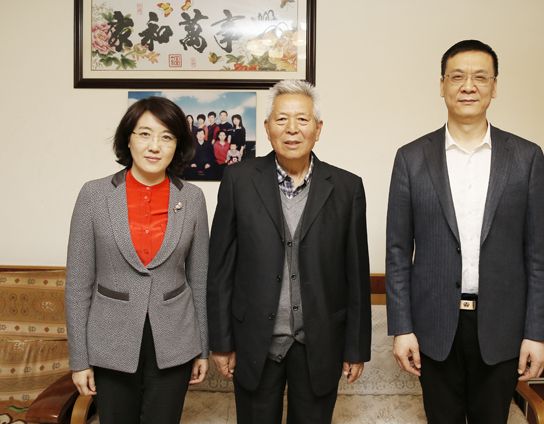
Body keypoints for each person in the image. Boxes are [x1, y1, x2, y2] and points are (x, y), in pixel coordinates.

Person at [385, 39, 544, 424]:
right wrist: (402, 328)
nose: (468, 86)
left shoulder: (526, 158)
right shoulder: (411, 158)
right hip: (434, 328)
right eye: (457, 76)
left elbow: (538, 256)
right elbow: (397, 253)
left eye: (480, 77)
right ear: (442, 85)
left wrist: (537, 332)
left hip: (503, 328)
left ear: (494, 87)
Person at [207, 79, 371, 424]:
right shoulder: (238, 180)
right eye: (281, 119)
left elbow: (356, 275)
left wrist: (356, 348)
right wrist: (221, 342)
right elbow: (220, 269)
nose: (292, 129)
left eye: (302, 119)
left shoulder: (347, 187)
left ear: (318, 128)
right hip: (254, 343)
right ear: (268, 128)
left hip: (320, 344)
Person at [65, 96, 210, 424]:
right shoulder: (94, 195)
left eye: (167, 136)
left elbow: (200, 279)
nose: (154, 146)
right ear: (127, 139)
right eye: (145, 134)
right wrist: (79, 360)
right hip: (110, 341)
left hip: (175, 339)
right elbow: (77, 285)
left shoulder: (192, 198)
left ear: (178, 145)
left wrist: (203, 348)